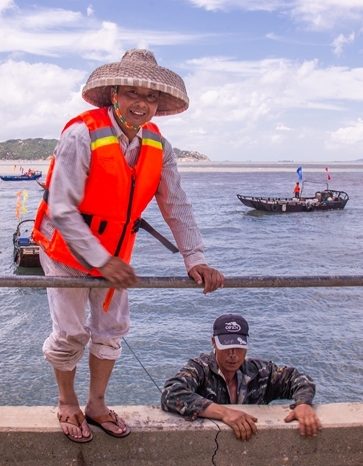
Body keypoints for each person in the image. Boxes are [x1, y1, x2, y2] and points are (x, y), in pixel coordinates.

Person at [32, 48, 225, 443]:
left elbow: (176, 204)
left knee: (111, 329)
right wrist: (100, 260)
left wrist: (196, 258)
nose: (142, 103)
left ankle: (97, 405)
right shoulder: (80, 133)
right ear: (115, 93)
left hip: (115, 257)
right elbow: (62, 207)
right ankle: (67, 401)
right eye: (133, 93)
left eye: (151, 96)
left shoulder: (159, 146)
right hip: (66, 249)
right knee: (70, 332)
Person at [161, 314, 322, 441]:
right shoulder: (200, 369)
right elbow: (170, 392)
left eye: (238, 347)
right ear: (213, 343)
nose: (233, 355)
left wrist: (303, 403)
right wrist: (225, 413)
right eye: (227, 347)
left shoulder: (261, 372)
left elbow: (298, 379)